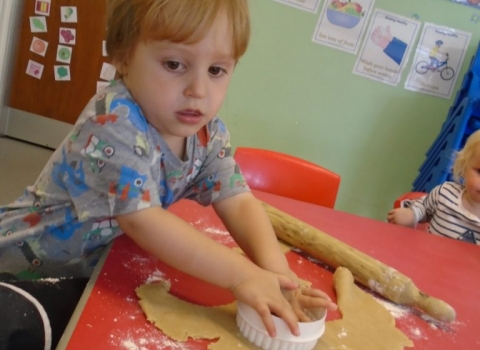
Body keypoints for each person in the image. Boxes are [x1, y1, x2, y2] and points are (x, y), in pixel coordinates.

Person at [0, 0, 337, 345]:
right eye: (175, 64)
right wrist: (242, 277)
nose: (198, 90)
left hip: (90, 273)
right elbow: (142, 220)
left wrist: (278, 277)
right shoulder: (113, 123)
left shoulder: (207, 135)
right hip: (22, 271)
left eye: (217, 70)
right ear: (122, 56)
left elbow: (237, 199)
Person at [387, 130, 480, 245]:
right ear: (464, 167)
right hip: (426, 259)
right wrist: (411, 215)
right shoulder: (445, 194)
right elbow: (424, 207)